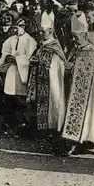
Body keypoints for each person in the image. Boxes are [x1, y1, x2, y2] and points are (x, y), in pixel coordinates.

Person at [60, 12, 94, 155]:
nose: (74, 40)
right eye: (73, 37)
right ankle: (76, 142)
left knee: (91, 114)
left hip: (91, 91)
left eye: (77, 37)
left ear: (85, 36)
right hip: (75, 90)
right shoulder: (75, 50)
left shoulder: (93, 52)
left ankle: (90, 142)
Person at [26, 13, 67, 141]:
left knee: (52, 104)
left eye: (43, 31)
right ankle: (40, 129)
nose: (40, 33)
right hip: (39, 80)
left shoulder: (55, 46)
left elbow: (58, 64)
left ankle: (51, 129)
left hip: (51, 80)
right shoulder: (42, 45)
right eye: (40, 31)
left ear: (51, 31)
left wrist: (41, 63)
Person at [0, 17, 37, 131]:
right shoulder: (11, 39)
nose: (18, 29)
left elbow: (31, 58)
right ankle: (9, 121)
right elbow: (5, 52)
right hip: (12, 71)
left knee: (21, 97)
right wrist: (7, 57)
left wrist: (17, 59)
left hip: (22, 71)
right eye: (17, 26)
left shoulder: (30, 41)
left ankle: (22, 122)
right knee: (9, 95)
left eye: (21, 26)